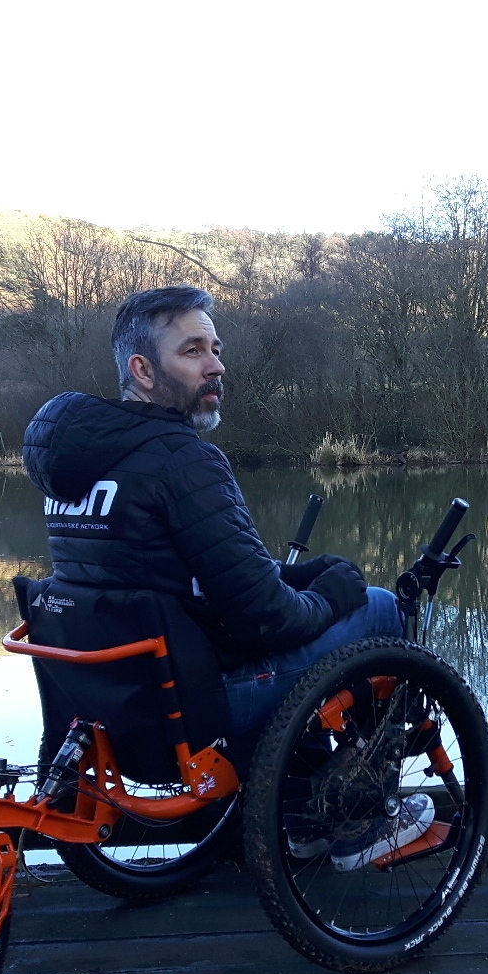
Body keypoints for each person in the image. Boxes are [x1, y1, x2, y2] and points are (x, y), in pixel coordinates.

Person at [22, 285, 407, 745]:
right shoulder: (183, 461)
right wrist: (330, 596)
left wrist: (297, 577)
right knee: (380, 606)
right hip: (195, 709)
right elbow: (268, 620)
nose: (216, 366)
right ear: (142, 370)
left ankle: (293, 794)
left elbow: (182, 581)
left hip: (109, 710)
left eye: (216, 350)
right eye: (193, 351)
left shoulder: (77, 466)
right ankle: (371, 805)